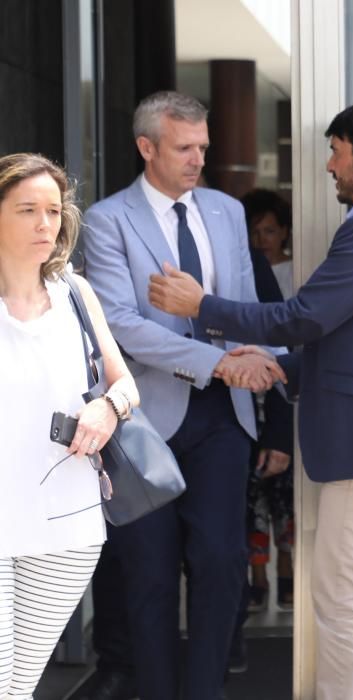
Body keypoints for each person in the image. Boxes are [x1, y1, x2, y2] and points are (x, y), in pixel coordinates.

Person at [148, 98, 353, 700]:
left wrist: (200, 306)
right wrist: (281, 369)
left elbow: (304, 316)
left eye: (336, 153)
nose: (327, 167)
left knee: (347, 602)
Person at [81, 91, 284, 700]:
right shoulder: (108, 219)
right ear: (147, 148)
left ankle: (206, 690)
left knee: (222, 566)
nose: (198, 159)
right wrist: (219, 362)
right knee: (149, 576)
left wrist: (258, 358)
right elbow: (120, 324)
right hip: (144, 419)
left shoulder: (224, 211)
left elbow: (245, 308)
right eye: (184, 148)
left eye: (203, 147)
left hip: (224, 419)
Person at [0, 152, 139, 698]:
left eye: (53, 211)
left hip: (65, 525)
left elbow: (125, 383)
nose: (44, 224)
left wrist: (109, 408)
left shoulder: (75, 293)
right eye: (26, 209)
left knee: (18, 685)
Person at [240, 189, 296, 612]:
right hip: (246, 391)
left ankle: (288, 572)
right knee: (255, 496)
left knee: (286, 497)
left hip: (286, 389)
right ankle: (257, 577)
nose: (262, 239)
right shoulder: (241, 270)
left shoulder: (297, 271)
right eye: (255, 231)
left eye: (270, 230)